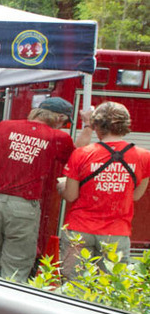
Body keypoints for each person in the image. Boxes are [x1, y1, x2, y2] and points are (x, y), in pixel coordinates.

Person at [0, 97, 88, 283]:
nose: (63, 126)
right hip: (23, 209)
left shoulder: (3, 127)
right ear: (58, 118)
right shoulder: (57, 137)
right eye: (65, 122)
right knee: (15, 270)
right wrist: (88, 125)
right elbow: (80, 157)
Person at [60, 102, 150, 278]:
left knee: (72, 286)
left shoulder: (81, 153)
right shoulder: (144, 157)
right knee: (109, 289)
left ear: (96, 126)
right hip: (116, 234)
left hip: (80, 229)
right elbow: (136, 195)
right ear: (125, 125)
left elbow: (71, 196)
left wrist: (62, 186)